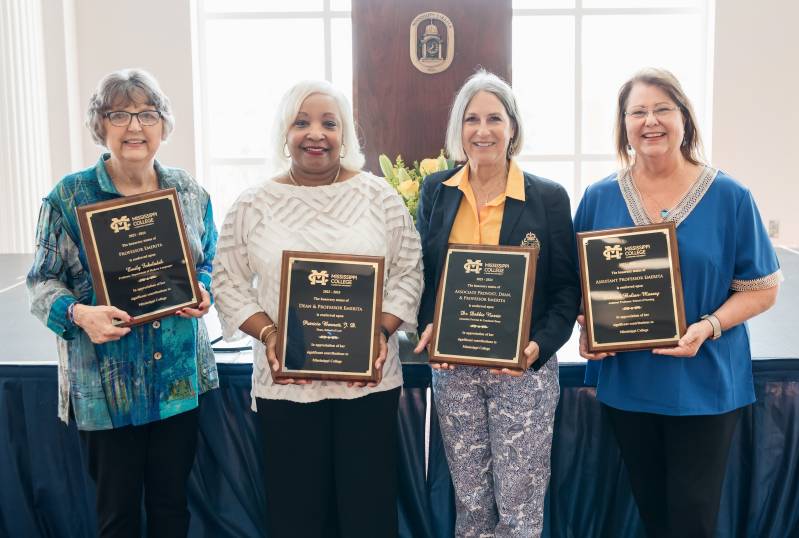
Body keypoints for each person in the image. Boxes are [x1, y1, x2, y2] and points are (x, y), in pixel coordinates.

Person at [574, 68, 781, 538]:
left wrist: (707, 326)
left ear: (684, 119)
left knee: (692, 518)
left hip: (705, 384)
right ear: (623, 126)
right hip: (631, 383)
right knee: (652, 512)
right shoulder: (600, 196)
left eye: (662, 109)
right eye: (638, 112)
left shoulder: (730, 196)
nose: (651, 121)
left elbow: (763, 288)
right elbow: (577, 285)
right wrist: (587, 329)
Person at [211, 80, 423, 538]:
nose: (316, 134)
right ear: (284, 134)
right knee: (296, 517)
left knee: (368, 516)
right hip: (287, 385)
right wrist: (270, 334)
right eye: (301, 122)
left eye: (329, 123)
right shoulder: (253, 203)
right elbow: (225, 280)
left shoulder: (379, 197)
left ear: (344, 134)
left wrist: (381, 332)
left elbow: (409, 273)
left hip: (368, 384)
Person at [27, 68, 218, 537]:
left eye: (147, 114)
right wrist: (79, 314)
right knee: (116, 517)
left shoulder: (189, 191)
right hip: (106, 385)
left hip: (176, 378)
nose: (135, 127)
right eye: (120, 114)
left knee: (173, 508)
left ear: (163, 125)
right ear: (101, 125)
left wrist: (204, 288)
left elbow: (207, 260)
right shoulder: (68, 196)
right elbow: (42, 282)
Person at [414, 70, 581, 537]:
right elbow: (426, 277)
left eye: (494, 118)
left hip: (522, 372)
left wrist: (539, 346)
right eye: (471, 119)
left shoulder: (547, 197)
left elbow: (568, 289)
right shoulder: (437, 190)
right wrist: (428, 324)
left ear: (513, 128)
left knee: (520, 501)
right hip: (454, 372)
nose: (482, 130)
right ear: (458, 130)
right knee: (469, 500)